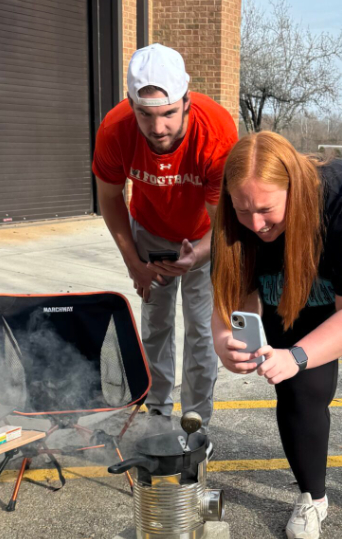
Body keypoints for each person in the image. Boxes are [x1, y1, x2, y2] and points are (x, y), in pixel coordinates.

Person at [211, 131, 342, 539]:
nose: (255, 225)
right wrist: (225, 341)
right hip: (296, 284)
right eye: (243, 210)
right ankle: (312, 496)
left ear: (294, 187)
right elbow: (230, 296)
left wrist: (299, 353)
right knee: (298, 387)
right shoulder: (237, 219)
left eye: (267, 209)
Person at [93, 44, 237, 427]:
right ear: (131, 105)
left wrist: (198, 256)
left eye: (169, 114)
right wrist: (135, 265)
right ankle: (158, 412)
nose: (158, 128)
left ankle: (196, 419)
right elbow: (109, 199)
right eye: (145, 115)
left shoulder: (217, 131)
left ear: (187, 102)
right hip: (150, 230)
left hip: (204, 235)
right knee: (155, 325)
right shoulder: (114, 128)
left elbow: (224, 222)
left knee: (202, 331)